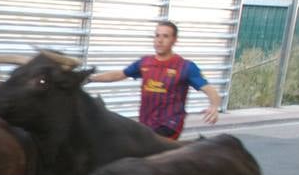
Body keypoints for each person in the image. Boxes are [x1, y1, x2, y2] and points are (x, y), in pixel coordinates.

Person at [88, 20, 220, 138]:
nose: (160, 40)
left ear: (174, 40)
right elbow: (120, 74)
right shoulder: (145, 62)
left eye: (165, 36)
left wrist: (214, 106)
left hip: (169, 125)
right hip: (146, 123)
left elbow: (209, 89)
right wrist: (91, 78)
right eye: (157, 35)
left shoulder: (185, 66)